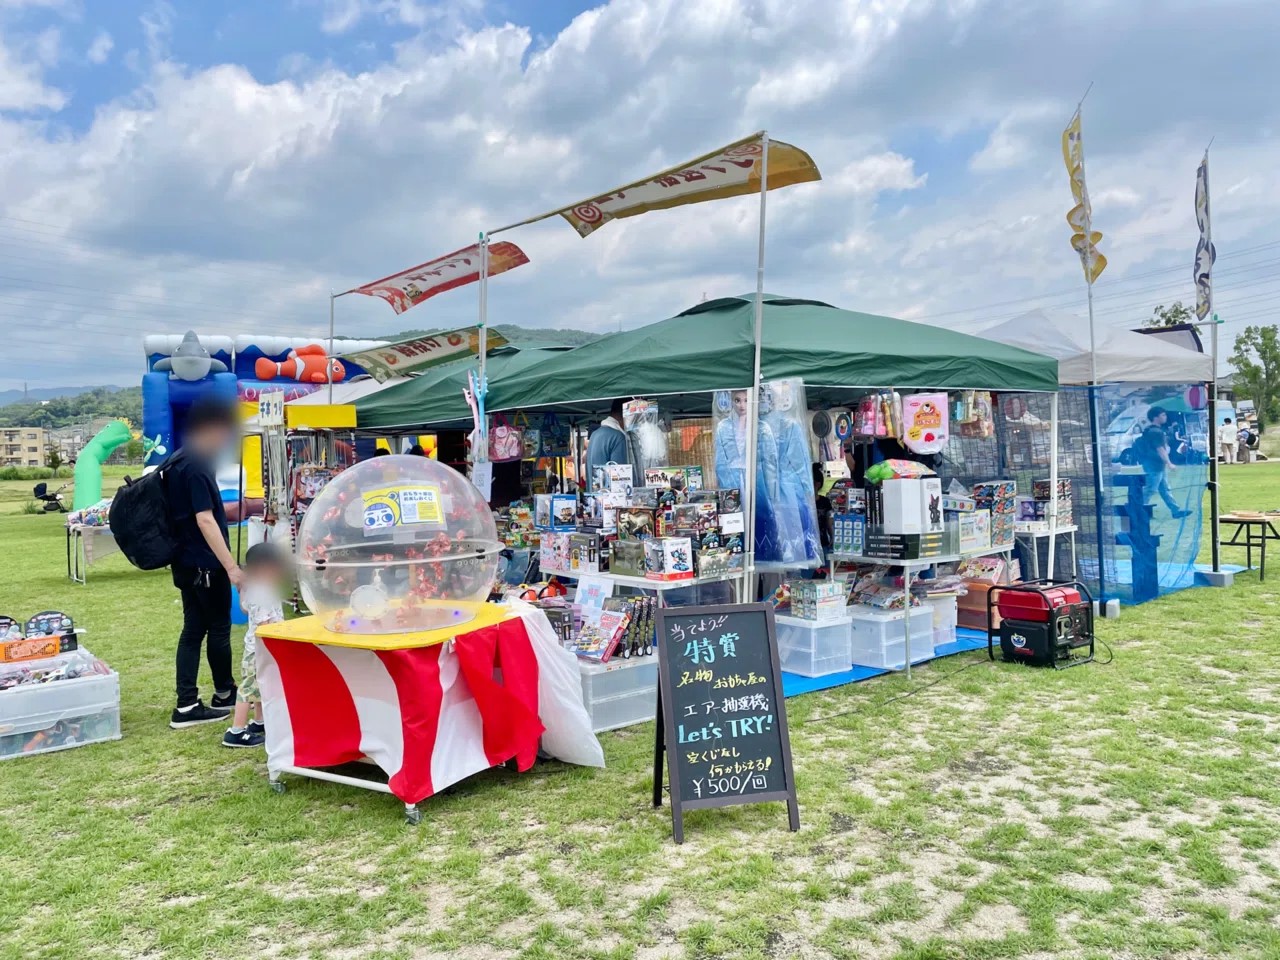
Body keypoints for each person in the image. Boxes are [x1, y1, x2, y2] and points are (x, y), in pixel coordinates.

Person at [167, 396, 244, 728]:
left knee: (193, 630)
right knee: (218, 628)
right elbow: (205, 520)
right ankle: (224, 693)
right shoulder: (197, 465)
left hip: (185, 561)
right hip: (206, 564)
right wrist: (231, 566)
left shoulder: (176, 460)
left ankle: (187, 703)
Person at [223, 542, 286, 748]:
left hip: (259, 650)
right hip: (260, 651)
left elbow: (244, 609)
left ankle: (259, 722)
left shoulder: (257, 589)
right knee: (248, 690)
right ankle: (236, 731)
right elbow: (263, 625)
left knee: (261, 687)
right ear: (264, 569)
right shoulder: (262, 593)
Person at [1138, 407, 1192, 519]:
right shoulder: (1156, 432)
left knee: (1164, 489)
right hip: (1154, 464)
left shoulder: (1150, 430)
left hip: (1155, 464)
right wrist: (1169, 463)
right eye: (1162, 415)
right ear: (1155, 417)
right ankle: (1137, 510)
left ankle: (1175, 511)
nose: (1165, 417)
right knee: (1151, 489)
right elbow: (1160, 449)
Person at [584, 398, 634, 491]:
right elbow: (621, 478)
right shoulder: (618, 437)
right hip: (612, 501)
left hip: (595, 498)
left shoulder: (595, 434)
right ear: (627, 415)